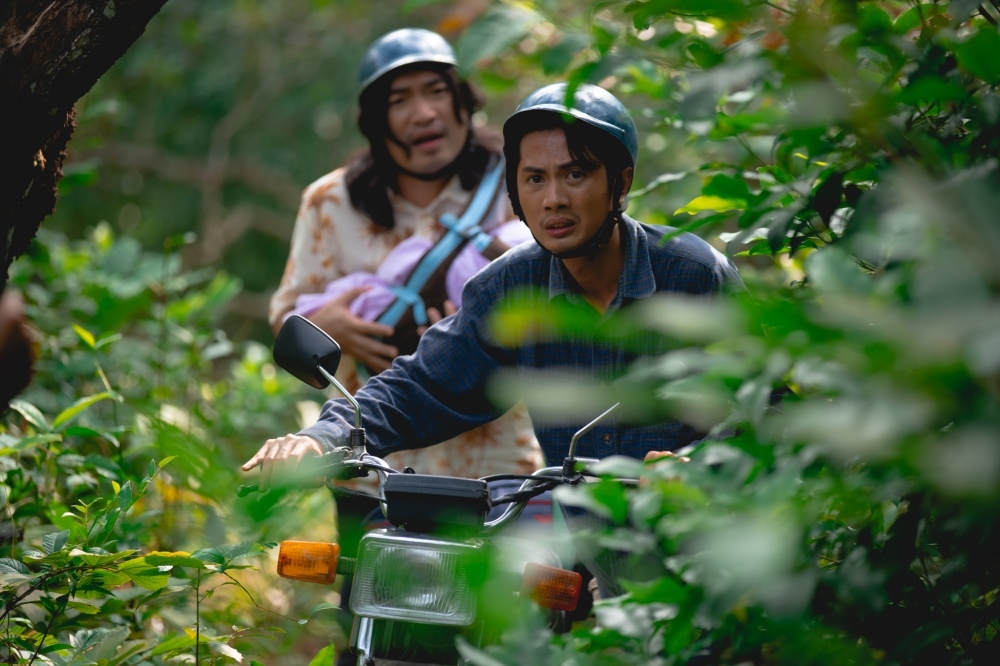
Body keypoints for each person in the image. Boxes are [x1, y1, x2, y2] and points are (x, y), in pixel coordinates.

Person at [249, 82, 745, 595]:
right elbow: (420, 385)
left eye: (575, 173)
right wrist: (320, 437)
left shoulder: (693, 275)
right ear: (516, 193)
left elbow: (768, 411)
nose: (554, 198)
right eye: (535, 178)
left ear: (620, 182)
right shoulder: (509, 287)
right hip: (598, 571)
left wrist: (701, 464)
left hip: (716, 572)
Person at [266, 27, 543, 660]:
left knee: (504, 638)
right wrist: (335, 322)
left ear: (461, 100)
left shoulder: (523, 180)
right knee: (367, 632)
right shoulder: (330, 202)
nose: (422, 112)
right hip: (373, 474)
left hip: (496, 471)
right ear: (375, 120)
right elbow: (287, 311)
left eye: (434, 91)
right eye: (399, 99)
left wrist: (480, 331)